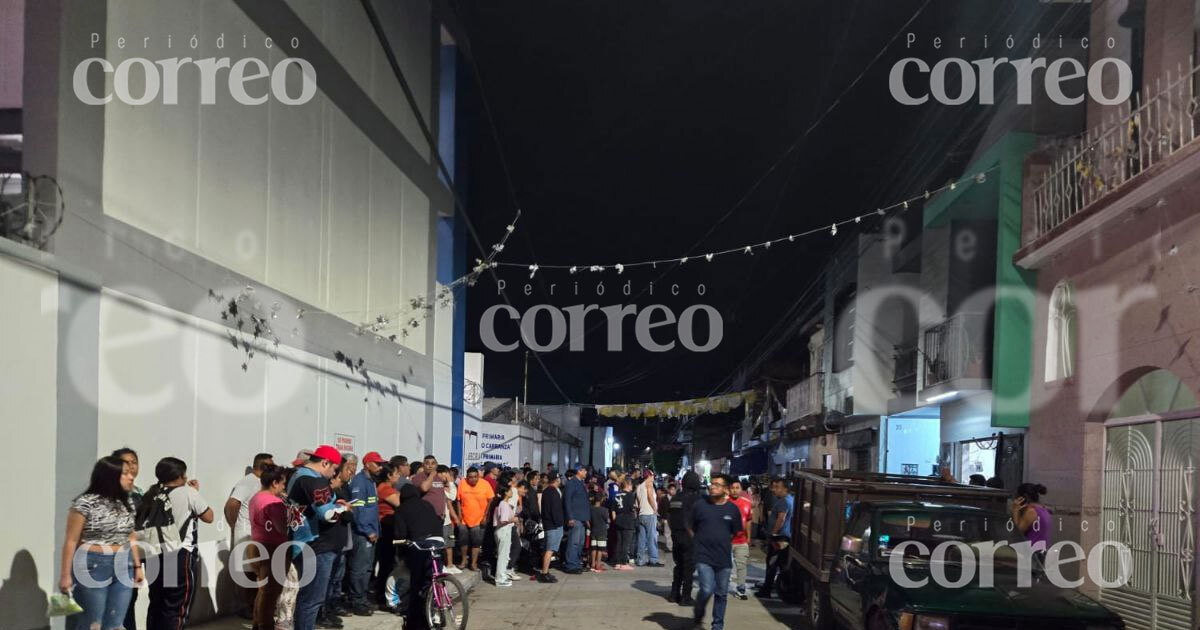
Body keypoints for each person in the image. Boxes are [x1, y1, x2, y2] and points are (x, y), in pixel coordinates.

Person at [59, 456, 143, 630]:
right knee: (93, 622)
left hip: (123, 563)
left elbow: (131, 535)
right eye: (125, 474)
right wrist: (66, 575)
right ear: (110, 477)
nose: (131, 477)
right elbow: (71, 540)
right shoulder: (85, 503)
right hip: (93, 564)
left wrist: (137, 566)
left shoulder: (126, 502)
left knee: (116, 623)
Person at [144, 457, 214, 630]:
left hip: (153, 555)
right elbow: (209, 517)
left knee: (157, 604)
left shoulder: (151, 493)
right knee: (176, 608)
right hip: (178, 555)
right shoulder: (188, 493)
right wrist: (194, 492)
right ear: (181, 475)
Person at [289, 445, 351, 630]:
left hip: (307, 544)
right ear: (325, 463)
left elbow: (318, 505)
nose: (334, 474)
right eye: (334, 469)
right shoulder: (314, 480)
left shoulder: (299, 475)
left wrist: (334, 502)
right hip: (315, 546)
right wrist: (343, 509)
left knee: (308, 598)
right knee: (312, 600)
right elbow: (328, 515)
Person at [690, 474, 743, 630]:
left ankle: (717, 626)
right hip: (703, 556)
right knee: (707, 589)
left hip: (723, 558)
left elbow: (736, 531)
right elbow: (691, 525)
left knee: (722, 594)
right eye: (712, 484)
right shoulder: (700, 505)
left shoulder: (732, 509)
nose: (712, 487)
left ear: (725, 489)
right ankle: (698, 615)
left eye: (717, 485)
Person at [225, 453, 275, 618]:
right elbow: (232, 504)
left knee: (257, 572)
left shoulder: (262, 483)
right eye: (271, 465)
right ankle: (247, 607)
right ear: (262, 466)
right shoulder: (247, 482)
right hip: (246, 534)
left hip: (259, 534)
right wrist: (236, 525)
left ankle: (255, 606)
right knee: (248, 572)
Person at [389, 483, 443, 628]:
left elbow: (400, 534)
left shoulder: (401, 509)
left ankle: (416, 621)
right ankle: (438, 607)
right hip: (438, 541)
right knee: (434, 576)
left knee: (417, 583)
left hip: (420, 544)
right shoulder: (427, 504)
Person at [248, 464, 291, 630]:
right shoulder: (274, 502)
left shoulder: (256, 497)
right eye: (282, 483)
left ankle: (257, 622)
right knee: (271, 592)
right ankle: (265, 625)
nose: (283, 487)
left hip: (256, 544)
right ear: (275, 483)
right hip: (273, 547)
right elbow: (281, 527)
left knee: (263, 589)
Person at [319, 455, 356, 628]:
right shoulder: (328, 494)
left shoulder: (341, 491)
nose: (350, 473)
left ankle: (329, 609)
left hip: (339, 543)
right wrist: (345, 509)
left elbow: (348, 515)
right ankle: (322, 613)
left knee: (335, 579)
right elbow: (346, 515)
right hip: (328, 544)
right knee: (325, 581)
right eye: (346, 469)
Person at [112, 448, 146, 630]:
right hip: (114, 556)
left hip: (133, 555)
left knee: (129, 600)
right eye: (127, 462)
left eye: (134, 462)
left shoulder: (139, 493)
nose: (132, 466)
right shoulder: (112, 493)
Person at [344, 453, 379, 617]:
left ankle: (362, 598)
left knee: (367, 569)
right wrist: (368, 530)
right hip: (362, 533)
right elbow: (358, 510)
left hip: (371, 532)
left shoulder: (370, 481)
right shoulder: (359, 482)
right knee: (359, 569)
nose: (380, 467)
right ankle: (356, 601)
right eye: (377, 464)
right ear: (367, 464)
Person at [756, 477, 793, 600]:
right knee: (781, 565)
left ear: (785, 489)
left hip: (779, 538)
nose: (774, 490)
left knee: (772, 564)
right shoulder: (790, 500)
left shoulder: (784, 502)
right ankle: (783, 589)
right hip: (785, 538)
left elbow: (781, 519)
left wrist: (773, 533)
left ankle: (767, 589)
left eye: (778, 487)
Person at [668, 471, 702, 605]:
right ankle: (685, 597)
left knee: (679, 566)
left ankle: (674, 594)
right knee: (689, 567)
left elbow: (669, 517)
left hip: (676, 536)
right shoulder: (696, 499)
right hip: (689, 537)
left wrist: (673, 532)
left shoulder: (675, 498)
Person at [373, 463, 401, 611]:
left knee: (388, 563)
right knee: (386, 564)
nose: (398, 476)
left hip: (390, 527)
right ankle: (381, 596)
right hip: (385, 528)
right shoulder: (384, 489)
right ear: (389, 475)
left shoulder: (389, 488)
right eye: (396, 473)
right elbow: (400, 503)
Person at [456, 466, 494, 572]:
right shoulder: (462, 483)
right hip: (464, 519)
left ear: (478, 476)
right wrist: (459, 516)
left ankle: (473, 563)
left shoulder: (485, 484)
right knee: (463, 541)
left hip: (479, 520)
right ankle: (464, 561)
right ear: (467, 477)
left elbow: (490, 501)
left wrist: (485, 516)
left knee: (476, 542)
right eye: (470, 477)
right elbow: (458, 500)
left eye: (475, 477)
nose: (473, 479)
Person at [562, 465, 590, 574]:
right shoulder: (571, 483)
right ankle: (571, 565)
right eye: (584, 471)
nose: (586, 472)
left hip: (582, 518)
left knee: (580, 543)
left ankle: (576, 563)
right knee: (573, 542)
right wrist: (570, 517)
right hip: (575, 517)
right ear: (579, 471)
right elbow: (567, 501)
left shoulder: (580, 483)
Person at [728, 479, 753, 600]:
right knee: (725, 566)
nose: (735, 490)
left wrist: (749, 537)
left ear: (741, 489)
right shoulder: (724, 502)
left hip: (741, 540)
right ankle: (722, 586)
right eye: (732, 488)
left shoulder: (747, 503)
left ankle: (741, 589)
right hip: (726, 541)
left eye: (737, 488)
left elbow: (748, 520)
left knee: (741, 565)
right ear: (729, 489)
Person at [1012, 483, 1052, 556]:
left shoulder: (1031, 512)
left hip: (1032, 554)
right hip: (1041, 553)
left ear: (1024, 497)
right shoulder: (1043, 510)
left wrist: (1015, 510)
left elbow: (1017, 533)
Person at [537, 473, 563, 582]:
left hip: (548, 523)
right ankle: (544, 573)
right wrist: (559, 523)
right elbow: (555, 510)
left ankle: (545, 571)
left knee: (548, 549)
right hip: (553, 525)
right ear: (556, 480)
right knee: (550, 549)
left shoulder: (547, 491)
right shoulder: (553, 492)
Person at [492, 483, 519, 587]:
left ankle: (502, 576)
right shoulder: (503, 504)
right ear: (506, 493)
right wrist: (514, 519)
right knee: (503, 556)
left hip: (505, 530)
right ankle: (500, 579)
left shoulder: (504, 504)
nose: (512, 492)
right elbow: (503, 519)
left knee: (505, 555)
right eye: (510, 490)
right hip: (503, 530)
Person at [607, 477, 637, 571]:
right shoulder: (630, 495)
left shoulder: (617, 494)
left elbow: (613, 510)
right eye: (631, 484)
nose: (632, 486)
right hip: (628, 519)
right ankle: (623, 563)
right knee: (626, 543)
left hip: (618, 519)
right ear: (628, 484)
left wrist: (615, 520)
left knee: (619, 542)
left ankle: (618, 563)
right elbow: (632, 508)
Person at [634, 470, 662, 567]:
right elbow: (650, 497)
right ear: (649, 476)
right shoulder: (649, 484)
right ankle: (653, 559)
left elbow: (637, 503)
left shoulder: (639, 487)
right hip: (649, 514)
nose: (653, 477)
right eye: (653, 475)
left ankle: (640, 560)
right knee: (652, 537)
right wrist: (655, 509)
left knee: (642, 539)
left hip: (641, 514)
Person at [441, 466, 462, 575]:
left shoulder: (446, 487)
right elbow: (453, 496)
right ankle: (442, 565)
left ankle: (450, 564)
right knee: (442, 544)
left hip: (448, 521)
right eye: (447, 474)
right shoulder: (438, 487)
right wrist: (450, 482)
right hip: (440, 521)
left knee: (449, 543)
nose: (448, 477)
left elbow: (449, 502)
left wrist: (455, 519)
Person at [588, 493, 609, 572]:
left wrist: (590, 527)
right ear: (601, 500)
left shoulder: (591, 509)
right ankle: (598, 564)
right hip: (602, 531)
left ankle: (592, 564)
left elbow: (588, 520)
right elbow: (607, 520)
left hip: (593, 530)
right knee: (600, 549)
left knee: (593, 548)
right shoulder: (604, 510)